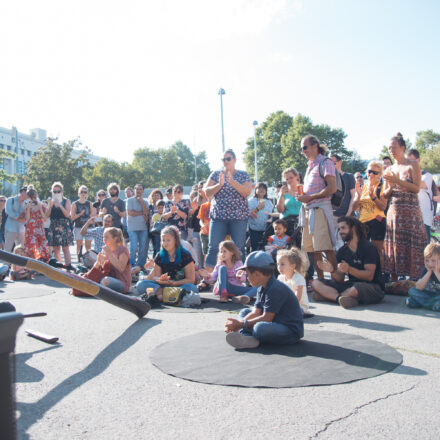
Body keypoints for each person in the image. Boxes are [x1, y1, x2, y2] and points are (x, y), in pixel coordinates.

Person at [224, 251, 304, 349]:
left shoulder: (276, 289)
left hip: (290, 331)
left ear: (257, 274)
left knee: (259, 328)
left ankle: (248, 335)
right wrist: (238, 324)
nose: (247, 278)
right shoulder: (262, 287)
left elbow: (267, 318)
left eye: (248, 275)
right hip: (274, 322)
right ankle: (247, 336)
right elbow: (256, 312)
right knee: (245, 312)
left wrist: (240, 324)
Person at [311, 216, 384, 309]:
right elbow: (340, 279)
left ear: (353, 228)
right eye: (339, 229)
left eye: (343, 228)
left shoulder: (368, 247)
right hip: (351, 284)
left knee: (355, 289)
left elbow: (369, 276)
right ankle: (340, 299)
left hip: (372, 287)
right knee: (316, 282)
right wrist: (332, 271)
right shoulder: (342, 251)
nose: (340, 231)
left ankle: (330, 296)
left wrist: (349, 269)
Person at [383, 133, 426, 280]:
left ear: (402, 147)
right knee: (394, 244)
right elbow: (385, 194)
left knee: (413, 245)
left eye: (394, 147)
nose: (391, 150)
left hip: (411, 212)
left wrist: (398, 181)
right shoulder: (389, 169)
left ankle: (415, 281)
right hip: (394, 211)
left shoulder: (412, 164)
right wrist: (391, 185)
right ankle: (394, 282)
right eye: (389, 148)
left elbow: (416, 188)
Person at [296, 135, 338, 279]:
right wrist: (303, 196)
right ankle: (320, 280)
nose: (303, 151)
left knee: (326, 246)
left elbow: (332, 188)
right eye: (301, 149)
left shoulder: (325, 162)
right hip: (309, 210)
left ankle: (336, 279)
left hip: (319, 209)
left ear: (315, 146)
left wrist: (310, 197)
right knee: (313, 249)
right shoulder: (311, 165)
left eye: (305, 147)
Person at [204, 149, 252, 268]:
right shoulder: (216, 174)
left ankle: (239, 277)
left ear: (235, 160)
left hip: (238, 217)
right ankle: (209, 280)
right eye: (223, 159)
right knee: (213, 247)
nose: (225, 161)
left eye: (228, 159)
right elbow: (206, 192)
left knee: (239, 248)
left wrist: (232, 182)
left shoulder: (243, 174)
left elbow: (246, 192)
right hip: (218, 217)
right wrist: (219, 185)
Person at [135, 225, 198, 302]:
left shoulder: (185, 255)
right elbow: (156, 277)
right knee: (140, 284)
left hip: (179, 285)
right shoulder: (159, 255)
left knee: (192, 288)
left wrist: (174, 283)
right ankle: (170, 296)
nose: (165, 243)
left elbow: (191, 279)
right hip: (163, 286)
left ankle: (162, 296)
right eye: (163, 240)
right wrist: (160, 279)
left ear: (175, 240)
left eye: (168, 240)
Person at [351, 161, 387, 268]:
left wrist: (373, 197)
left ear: (380, 175)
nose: (371, 174)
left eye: (375, 173)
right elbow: (355, 208)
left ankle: (380, 275)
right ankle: (365, 274)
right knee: (362, 250)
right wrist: (358, 195)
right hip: (363, 222)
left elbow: (383, 207)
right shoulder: (363, 187)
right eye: (370, 171)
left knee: (378, 251)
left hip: (377, 220)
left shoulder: (381, 187)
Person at [407, 149, 435, 244]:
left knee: (425, 247)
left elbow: (421, 185)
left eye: (411, 161)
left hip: (424, 217)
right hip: (411, 217)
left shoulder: (427, 175)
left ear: (418, 160)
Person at [46, 182, 74, 270]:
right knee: (56, 248)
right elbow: (46, 216)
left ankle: (68, 266)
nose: (56, 193)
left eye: (58, 191)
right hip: (54, 225)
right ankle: (59, 268)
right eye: (54, 191)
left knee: (65, 248)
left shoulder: (66, 201)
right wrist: (50, 206)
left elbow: (67, 215)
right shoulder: (50, 201)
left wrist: (60, 206)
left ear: (62, 192)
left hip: (64, 225)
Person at [94, 227, 131, 293]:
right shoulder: (104, 250)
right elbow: (98, 268)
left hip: (122, 282)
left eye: (106, 237)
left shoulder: (122, 250)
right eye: (103, 237)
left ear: (115, 238)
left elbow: (121, 268)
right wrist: (98, 261)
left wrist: (110, 254)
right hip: (106, 278)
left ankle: (99, 291)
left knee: (105, 280)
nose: (104, 240)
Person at [330, 154, 356, 248]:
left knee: (351, 241)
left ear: (340, 162)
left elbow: (353, 196)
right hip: (333, 216)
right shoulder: (328, 179)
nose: (332, 165)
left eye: (334, 163)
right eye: (330, 163)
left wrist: (348, 214)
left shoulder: (349, 177)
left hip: (347, 214)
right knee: (334, 243)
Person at [406, 243, 440, 311]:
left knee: (412, 302)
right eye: (427, 260)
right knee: (412, 290)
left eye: (433, 261)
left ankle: (424, 303)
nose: (430, 264)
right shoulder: (426, 269)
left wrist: (436, 272)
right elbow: (419, 287)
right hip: (430, 295)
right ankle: (434, 305)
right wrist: (429, 272)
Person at [277, 248, 310, 313]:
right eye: (278, 264)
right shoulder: (280, 277)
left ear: (292, 266)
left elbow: (297, 298)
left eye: (282, 264)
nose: (279, 267)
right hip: (285, 304)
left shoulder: (299, 278)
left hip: (298, 306)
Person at [126, 183, 149, 271]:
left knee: (143, 247)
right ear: (134, 190)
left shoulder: (145, 202)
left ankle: (140, 266)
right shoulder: (129, 200)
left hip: (143, 227)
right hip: (132, 227)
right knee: (134, 247)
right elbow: (130, 213)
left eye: (140, 189)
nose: (138, 191)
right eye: (137, 189)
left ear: (143, 191)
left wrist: (142, 203)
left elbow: (146, 214)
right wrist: (141, 213)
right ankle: (131, 265)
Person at [24, 188, 50, 261]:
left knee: (42, 247)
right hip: (30, 229)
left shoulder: (41, 205)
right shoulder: (27, 205)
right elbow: (27, 219)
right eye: (31, 198)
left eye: (35, 197)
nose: (33, 200)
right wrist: (28, 208)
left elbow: (45, 218)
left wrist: (40, 208)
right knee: (31, 247)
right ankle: (31, 265)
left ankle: (43, 264)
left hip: (39, 228)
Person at [71, 185, 95, 260]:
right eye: (82, 192)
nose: (83, 193)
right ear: (79, 193)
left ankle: (88, 260)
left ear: (87, 194)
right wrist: (80, 214)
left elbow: (92, 214)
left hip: (89, 227)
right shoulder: (75, 204)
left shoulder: (89, 203)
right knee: (79, 245)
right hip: (78, 226)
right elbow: (72, 217)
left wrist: (93, 217)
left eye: (85, 192)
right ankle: (79, 259)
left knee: (88, 246)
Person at [248, 182, 273, 252]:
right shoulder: (250, 201)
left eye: (264, 188)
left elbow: (271, 214)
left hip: (266, 229)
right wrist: (257, 209)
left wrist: (271, 219)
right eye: (259, 188)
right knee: (255, 248)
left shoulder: (269, 202)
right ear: (255, 190)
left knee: (265, 248)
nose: (262, 190)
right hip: (254, 229)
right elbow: (246, 213)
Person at [4, 186, 28, 252]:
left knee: (21, 250)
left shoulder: (27, 203)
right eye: (27, 193)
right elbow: (10, 213)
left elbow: (26, 216)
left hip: (22, 229)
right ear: (22, 192)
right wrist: (20, 217)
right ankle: (4, 262)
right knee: (7, 249)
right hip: (10, 228)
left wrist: (19, 217)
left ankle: (17, 262)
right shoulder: (10, 200)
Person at [197, 190, 211, 266]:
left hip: (213, 233)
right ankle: (206, 269)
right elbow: (200, 220)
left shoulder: (217, 205)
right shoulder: (203, 206)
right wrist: (203, 226)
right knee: (205, 252)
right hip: (204, 233)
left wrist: (208, 224)